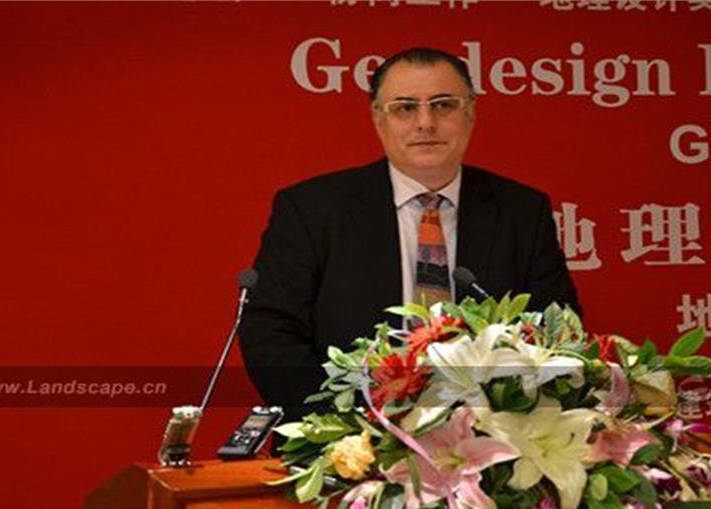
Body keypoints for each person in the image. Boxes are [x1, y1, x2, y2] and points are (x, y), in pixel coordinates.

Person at [239, 47, 580, 420]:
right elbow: (270, 334)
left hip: (492, 435)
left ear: (470, 113)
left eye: (443, 105)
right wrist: (353, 426)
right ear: (378, 119)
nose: (425, 123)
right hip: (349, 435)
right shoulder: (312, 209)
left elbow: (556, 334)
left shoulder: (521, 211)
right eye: (404, 107)